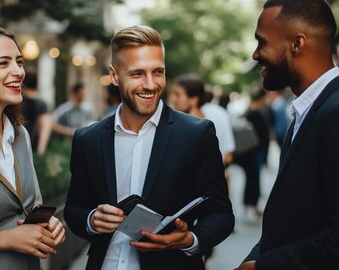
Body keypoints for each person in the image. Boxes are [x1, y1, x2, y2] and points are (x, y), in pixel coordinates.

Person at [236, 0, 339, 270]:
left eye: (262, 42)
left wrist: (264, 267)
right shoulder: (306, 112)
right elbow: (287, 224)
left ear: (297, 43)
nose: (256, 54)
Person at [64, 25, 234, 270]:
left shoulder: (197, 134)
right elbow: (74, 208)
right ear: (114, 75)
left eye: (158, 72)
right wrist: (92, 219)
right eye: (137, 74)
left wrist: (190, 240)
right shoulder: (87, 139)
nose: (150, 84)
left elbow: (221, 214)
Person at [0, 26, 66, 269]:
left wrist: (48, 223)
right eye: (3, 63)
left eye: (19, 62)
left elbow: (32, 203)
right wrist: (3, 239)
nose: (18, 72)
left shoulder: (20, 134)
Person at [168, 74, 236, 166]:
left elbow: (228, 155)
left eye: (177, 95)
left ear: (194, 99)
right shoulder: (171, 122)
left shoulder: (218, 115)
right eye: (172, 94)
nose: (173, 99)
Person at [233, 88, 271, 219]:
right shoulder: (255, 113)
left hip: (250, 151)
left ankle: (250, 205)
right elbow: (260, 134)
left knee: (251, 178)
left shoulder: (249, 111)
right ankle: (251, 206)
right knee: (253, 178)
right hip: (254, 151)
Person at [22, 69, 52, 154]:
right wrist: (40, 152)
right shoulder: (41, 103)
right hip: (32, 147)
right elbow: (45, 127)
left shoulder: (18, 101)